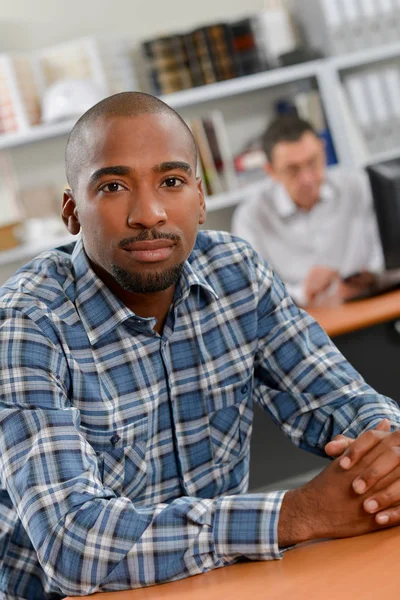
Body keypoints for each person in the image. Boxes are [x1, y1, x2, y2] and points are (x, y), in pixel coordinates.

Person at [1, 92, 400, 600]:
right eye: (114, 185)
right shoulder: (26, 323)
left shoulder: (236, 272)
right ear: (71, 211)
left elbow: (344, 403)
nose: (149, 213)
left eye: (171, 181)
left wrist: (387, 457)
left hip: (223, 584)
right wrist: (296, 514)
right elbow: (72, 544)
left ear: (200, 196)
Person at [231, 115, 387, 307]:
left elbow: (388, 253)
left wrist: (371, 275)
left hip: (369, 305)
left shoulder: (358, 186)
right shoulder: (251, 216)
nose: (307, 179)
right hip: (299, 323)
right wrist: (303, 292)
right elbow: (253, 287)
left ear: (323, 149)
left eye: (313, 162)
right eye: (292, 169)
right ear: (271, 171)